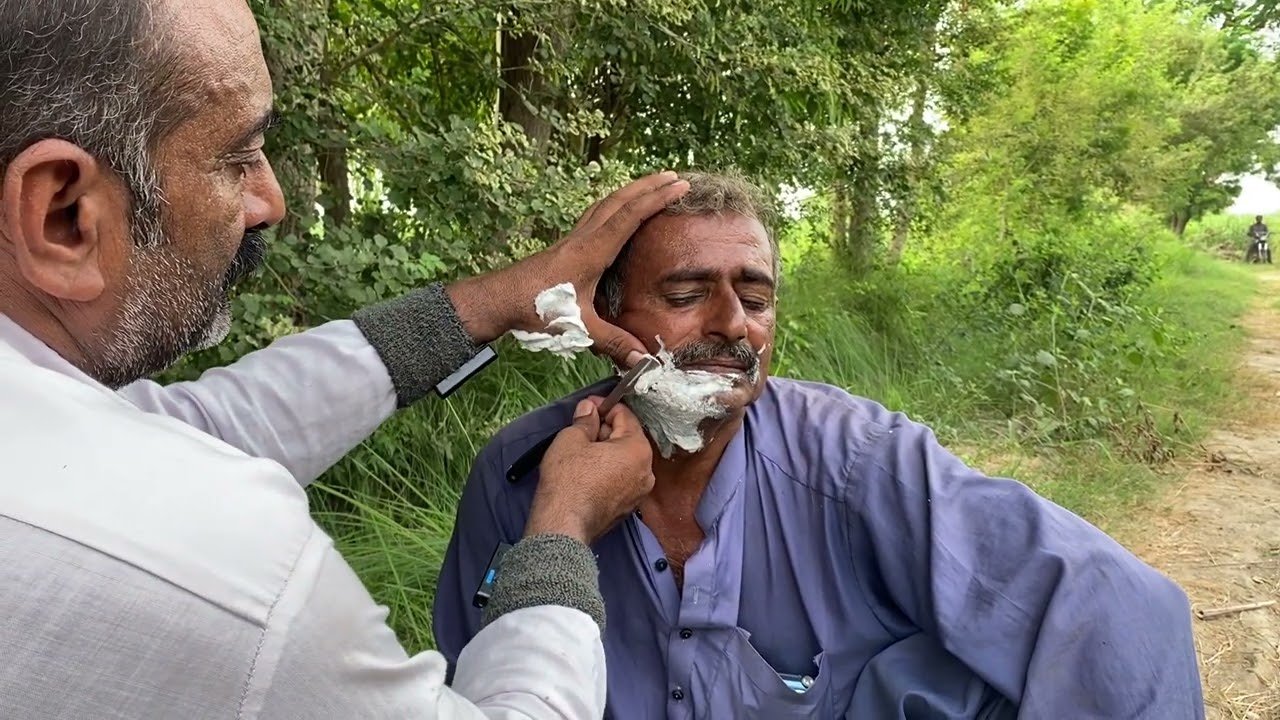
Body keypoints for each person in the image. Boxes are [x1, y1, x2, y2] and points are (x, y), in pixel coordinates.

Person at [0, 1, 687, 718]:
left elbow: (183, 428)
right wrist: (563, 530)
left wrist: (496, 302)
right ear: (63, 214)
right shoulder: (237, 579)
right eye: (236, 157)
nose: (271, 201)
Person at [433, 172, 1207, 719]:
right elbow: (483, 695)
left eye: (756, 298)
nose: (733, 325)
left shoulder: (855, 457)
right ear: (608, 317)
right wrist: (561, 522)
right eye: (686, 294)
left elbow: (1123, 609)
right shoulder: (519, 479)